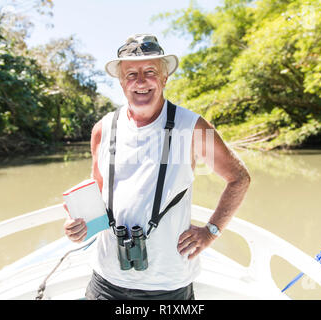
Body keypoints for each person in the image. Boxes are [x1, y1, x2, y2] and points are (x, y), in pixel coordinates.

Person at [63, 34, 250, 300]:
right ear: (120, 82)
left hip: (168, 285)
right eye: (131, 74)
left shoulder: (193, 127)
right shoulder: (102, 129)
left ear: (164, 78)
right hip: (105, 280)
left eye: (150, 72)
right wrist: (79, 225)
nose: (140, 82)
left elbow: (239, 178)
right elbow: (99, 194)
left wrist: (211, 231)